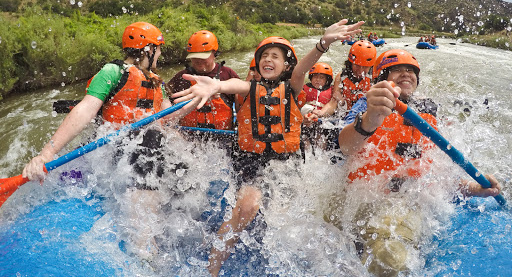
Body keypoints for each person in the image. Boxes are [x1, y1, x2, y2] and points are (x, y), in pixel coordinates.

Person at [173, 19, 364, 276]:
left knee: (284, 218)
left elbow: (302, 71)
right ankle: (213, 268)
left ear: (286, 65)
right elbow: (233, 85)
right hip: (251, 160)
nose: (268, 59)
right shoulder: (251, 87)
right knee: (248, 205)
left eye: (275, 56)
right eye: (264, 55)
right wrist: (216, 85)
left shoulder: (294, 87)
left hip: (286, 163)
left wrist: (323, 43)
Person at [22, 22, 196, 260]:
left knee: (171, 149)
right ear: (147, 49)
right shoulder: (113, 72)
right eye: (159, 48)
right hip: (117, 146)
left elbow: (168, 117)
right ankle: (144, 241)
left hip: (147, 145)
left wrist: (196, 99)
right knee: (152, 137)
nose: (161, 54)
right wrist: (46, 154)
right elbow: (85, 110)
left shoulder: (156, 81)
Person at [328, 49, 502, 276]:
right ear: (383, 79)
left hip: (403, 205)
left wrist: (476, 189)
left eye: (410, 70)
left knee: (390, 259)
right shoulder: (368, 104)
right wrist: (369, 119)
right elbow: (345, 146)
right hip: (362, 196)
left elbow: (437, 177)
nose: (405, 74)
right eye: (397, 70)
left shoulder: (427, 113)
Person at [168, 30, 239, 136]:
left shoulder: (228, 74)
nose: (198, 60)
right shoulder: (181, 77)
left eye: (203, 56)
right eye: (195, 56)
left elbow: (242, 105)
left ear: (215, 54)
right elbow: (165, 98)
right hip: (187, 138)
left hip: (222, 137)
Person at [314, 40, 377, 120]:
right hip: (344, 119)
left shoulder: (374, 78)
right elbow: (333, 102)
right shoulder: (341, 77)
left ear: (371, 66)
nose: (360, 71)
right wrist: (320, 113)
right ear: (350, 63)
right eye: (357, 65)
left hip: (366, 119)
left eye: (365, 67)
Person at [301, 62, 335, 152]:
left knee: (321, 140)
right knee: (305, 141)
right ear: (311, 77)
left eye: (321, 78)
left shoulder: (332, 90)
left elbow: (334, 106)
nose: (317, 80)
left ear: (327, 80)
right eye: (315, 76)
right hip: (307, 119)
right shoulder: (304, 88)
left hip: (322, 121)